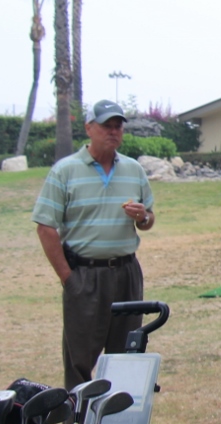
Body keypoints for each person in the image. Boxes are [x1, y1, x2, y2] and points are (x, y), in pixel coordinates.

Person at [33, 99, 156, 394]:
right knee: (80, 361)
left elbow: (149, 219)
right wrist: (68, 278)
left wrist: (143, 217)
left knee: (126, 356)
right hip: (84, 274)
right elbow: (45, 227)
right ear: (89, 128)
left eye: (117, 126)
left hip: (126, 272)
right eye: (106, 126)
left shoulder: (133, 169)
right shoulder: (65, 171)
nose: (113, 132)